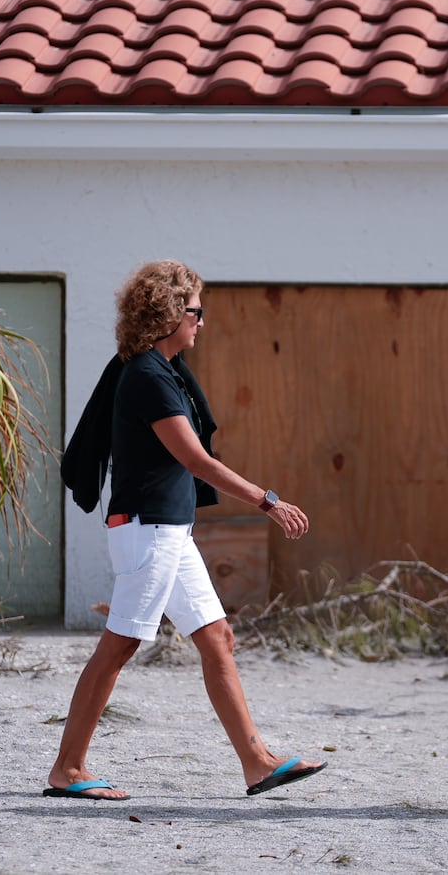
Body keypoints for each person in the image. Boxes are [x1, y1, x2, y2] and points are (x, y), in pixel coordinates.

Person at [46, 260, 326, 801]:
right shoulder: (148, 377)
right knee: (119, 647)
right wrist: (267, 500)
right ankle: (68, 769)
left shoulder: (163, 371)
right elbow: (195, 460)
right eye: (196, 311)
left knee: (217, 638)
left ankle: (256, 762)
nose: (202, 322)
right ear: (170, 314)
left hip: (168, 532)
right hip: (147, 532)